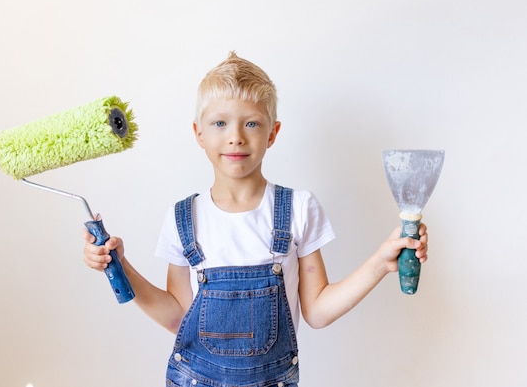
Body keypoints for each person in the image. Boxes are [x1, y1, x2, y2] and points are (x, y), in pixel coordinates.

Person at [82, 51, 428, 387]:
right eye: (220, 123)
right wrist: (120, 264)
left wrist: (380, 264)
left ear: (272, 133)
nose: (236, 136)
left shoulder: (298, 209)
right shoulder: (182, 219)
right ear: (198, 133)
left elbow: (318, 311)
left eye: (251, 123)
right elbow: (177, 316)